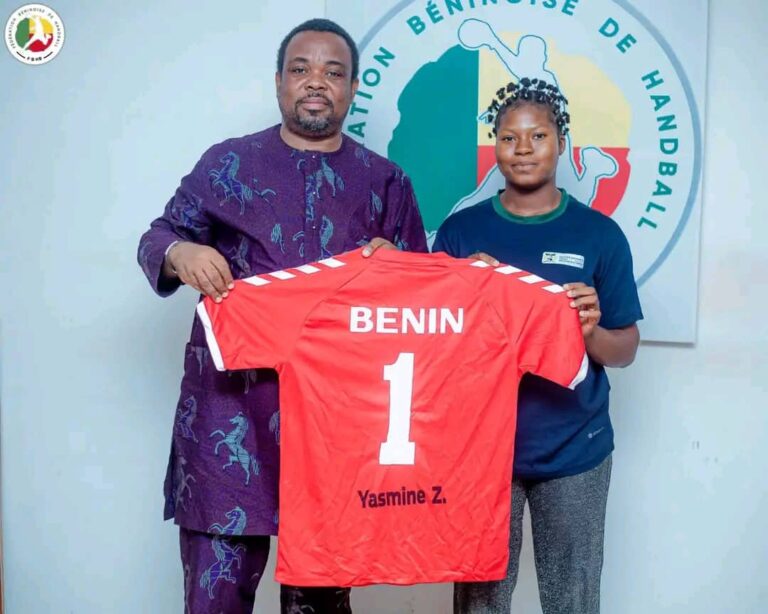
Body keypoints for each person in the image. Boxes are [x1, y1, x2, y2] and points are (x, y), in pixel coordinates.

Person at [137, 18, 427, 614]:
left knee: (319, 603)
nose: (316, 82)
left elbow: (423, 297)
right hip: (229, 415)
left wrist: (398, 269)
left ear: (352, 88)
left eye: (333, 72)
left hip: (335, 425)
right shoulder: (227, 164)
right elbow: (159, 235)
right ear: (278, 82)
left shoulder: (385, 181)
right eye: (301, 69)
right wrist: (181, 253)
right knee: (214, 596)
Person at [433, 78, 642, 614]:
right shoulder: (459, 234)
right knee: (481, 600)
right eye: (509, 138)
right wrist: (459, 292)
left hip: (574, 447)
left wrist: (589, 331)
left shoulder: (599, 235)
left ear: (561, 143)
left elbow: (625, 349)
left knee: (572, 599)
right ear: (495, 146)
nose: (523, 149)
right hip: (482, 449)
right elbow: (432, 348)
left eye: (538, 136)